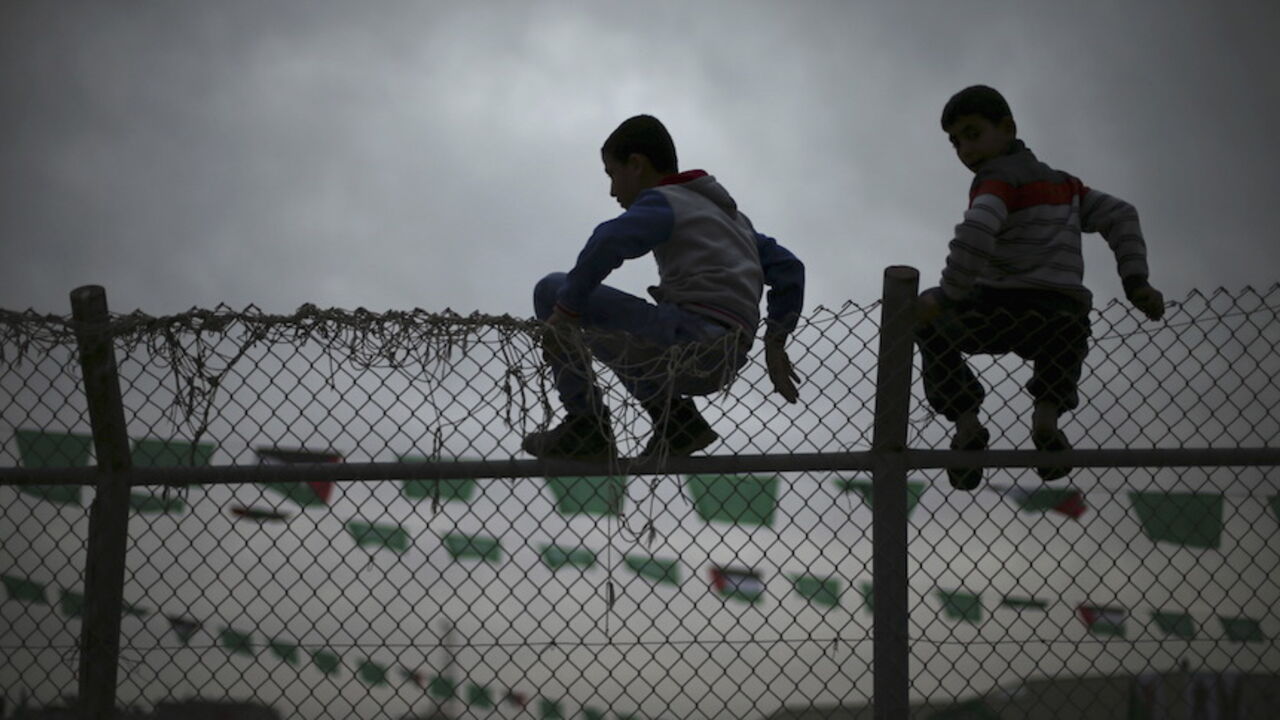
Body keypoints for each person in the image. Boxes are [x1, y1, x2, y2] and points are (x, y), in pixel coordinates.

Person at [916, 85, 1165, 490]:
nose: (964, 149)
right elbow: (1121, 214)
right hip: (1060, 313)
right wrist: (1136, 282)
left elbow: (976, 230)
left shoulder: (996, 180)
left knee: (925, 323)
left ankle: (966, 425)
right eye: (955, 142)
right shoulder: (1067, 187)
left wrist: (946, 295)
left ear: (1008, 128)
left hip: (996, 308)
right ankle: (1047, 421)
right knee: (1067, 338)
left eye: (973, 134)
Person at [522, 114, 805, 461]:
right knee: (619, 332)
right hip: (728, 355)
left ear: (636, 165)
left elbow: (608, 240)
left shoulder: (666, 201)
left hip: (688, 338)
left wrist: (564, 314)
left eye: (612, 174)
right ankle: (675, 423)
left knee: (551, 291)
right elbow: (789, 268)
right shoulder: (735, 221)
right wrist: (775, 339)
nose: (612, 190)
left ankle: (585, 424)